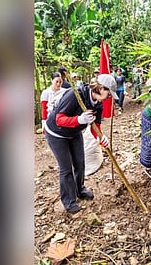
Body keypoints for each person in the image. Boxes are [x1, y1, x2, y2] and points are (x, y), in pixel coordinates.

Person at [44, 74, 119, 214]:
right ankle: (69, 201)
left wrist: (102, 138)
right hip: (56, 133)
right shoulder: (75, 94)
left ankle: (80, 189)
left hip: (74, 132)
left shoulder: (98, 104)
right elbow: (59, 119)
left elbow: (95, 126)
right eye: (109, 93)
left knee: (80, 162)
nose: (110, 97)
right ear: (101, 88)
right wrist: (79, 119)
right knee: (66, 168)